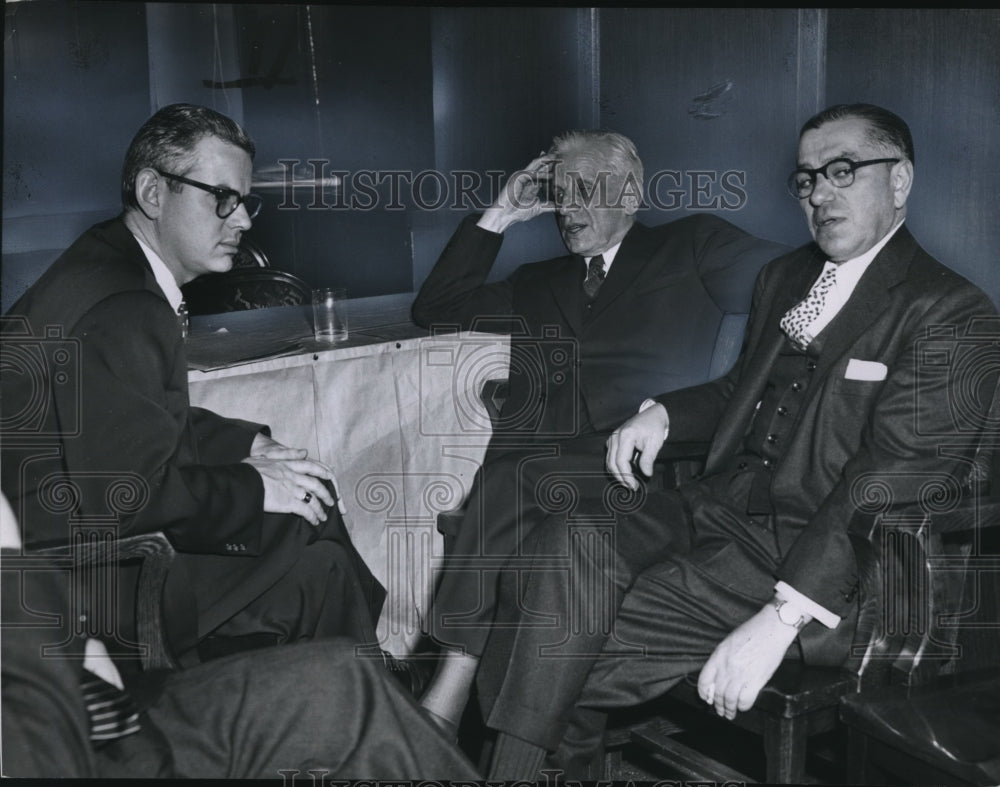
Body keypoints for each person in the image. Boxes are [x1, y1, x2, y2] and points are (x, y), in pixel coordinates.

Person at [477, 103, 1000, 778]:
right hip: (718, 511)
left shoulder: (950, 311)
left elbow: (888, 482)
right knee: (560, 543)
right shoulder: (787, 277)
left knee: (552, 626)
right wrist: (663, 413)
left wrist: (781, 619)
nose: (821, 192)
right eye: (808, 178)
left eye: (843, 170)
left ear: (899, 181)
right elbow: (740, 392)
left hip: (837, 567)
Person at [410, 130, 787, 734]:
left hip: (648, 468)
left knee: (509, 481)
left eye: (587, 189)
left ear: (632, 193)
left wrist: (679, 407)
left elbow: (798, 274)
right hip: (539, 476)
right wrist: (503, 211)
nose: (569, 208)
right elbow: (437, 306)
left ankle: (444, 704)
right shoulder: (539, 281)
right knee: (515, 492)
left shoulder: (690, 245)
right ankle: (520, 738)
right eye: (561, 194)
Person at [0, 104, 384, 671]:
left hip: (64, 548)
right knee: (312, 513)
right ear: (154, 193)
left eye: (245, 201)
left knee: (320, 566)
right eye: (221, 198)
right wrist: (257, 488)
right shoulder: (125, 307)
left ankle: (363, 711)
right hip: (83, 579)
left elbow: (127, 413)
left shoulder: (106, 261)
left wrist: (245, 445)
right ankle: (378, 716)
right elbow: (122, 496)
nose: (244, 220)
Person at [0, 492, 478, 779]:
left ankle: (392, 690)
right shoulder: (119, 319)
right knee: (304, 531)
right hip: (80, 738)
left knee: (339, 659)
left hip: (77, 694)